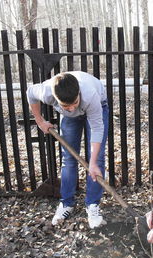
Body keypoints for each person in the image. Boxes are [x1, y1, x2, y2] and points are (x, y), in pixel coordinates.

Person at [27, 71, 108, 228]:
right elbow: (30, 93)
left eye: (74, 103)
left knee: (97, 160)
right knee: (69, 158)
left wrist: (92, 162)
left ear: (78, 94)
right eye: (65, 106)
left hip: (97, 106)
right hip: (70, 119)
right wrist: (39, 120)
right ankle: (66, 203)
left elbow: (97, 128)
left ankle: (92, 205)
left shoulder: (90, 95)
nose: (71, 109)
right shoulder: (46, 91)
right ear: (55, 99)